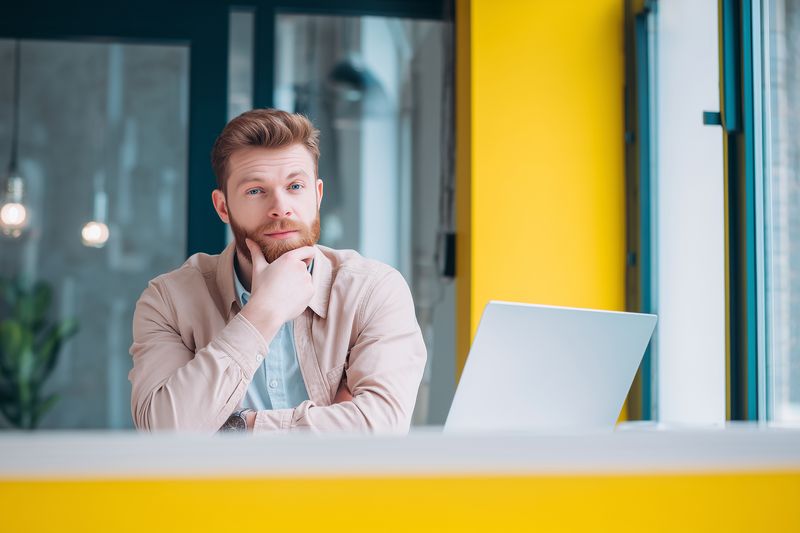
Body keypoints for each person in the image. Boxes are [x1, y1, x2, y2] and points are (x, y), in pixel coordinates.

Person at [129, 109, 426, 433]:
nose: (280, 207)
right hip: (219, 487)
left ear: (318, 194)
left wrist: (237, 428)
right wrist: (260, 314)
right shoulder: (169, 300)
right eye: (256, 190)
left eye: (295, 186)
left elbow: (380, 428)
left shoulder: (373, 291)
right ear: (223, 207)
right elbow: (163, 433)